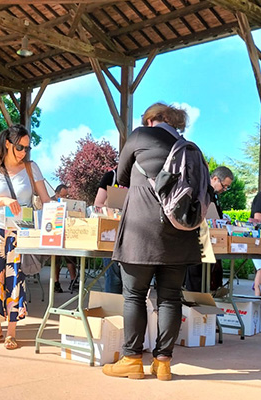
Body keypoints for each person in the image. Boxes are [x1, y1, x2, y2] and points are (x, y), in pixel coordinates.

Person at [102, 103, 204, 380]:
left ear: (151, 120)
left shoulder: (139, 136)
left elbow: (120, 178)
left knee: (134, 295)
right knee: (170, 297)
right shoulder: (189, 149)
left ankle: (132, 359)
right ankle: (163, 363)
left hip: (141, 232)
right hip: (181, 233)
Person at [0, 124, 51, 350]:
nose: (23, 152)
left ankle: (11, 332)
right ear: (8, 144)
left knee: (16, 279)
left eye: (27, 148)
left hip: (21, 231)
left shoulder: (30, 168)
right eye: (19, 147)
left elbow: (45, 199)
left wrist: (62, 215)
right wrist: (3, 201)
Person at [184, 166, 234, 292]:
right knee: (196, 278)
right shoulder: (201, 191)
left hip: (210, 240)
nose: (225, 189)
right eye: (224, 186)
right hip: (196, 241)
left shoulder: (213, 195)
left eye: (227, 187)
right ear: (215, 179)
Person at [94, 168, 122, 294]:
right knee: (113, 279)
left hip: (136, 235)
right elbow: (98, 205)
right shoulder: (112, 176)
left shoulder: (143, 177)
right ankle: (113, 311)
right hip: (113, 235)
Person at [51, 184, 78, 292]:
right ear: (57, 194)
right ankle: (56, 282)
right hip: (55, 232)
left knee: (71, 257)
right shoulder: (50, 202)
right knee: (56, 259)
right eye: (63, 196)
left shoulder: (69, 204)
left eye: (66, 196)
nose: (65, 198)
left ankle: (73, 281)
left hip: (67, 232)